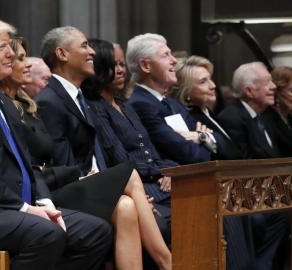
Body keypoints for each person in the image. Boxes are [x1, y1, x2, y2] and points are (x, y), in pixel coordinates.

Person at [0, 17, 112, 270]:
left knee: (95, 231)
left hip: (17, 207)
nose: (11, 54)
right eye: (2, 47)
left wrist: (43, 200)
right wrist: (24, 208)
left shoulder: (0, 98)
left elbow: (29, 162)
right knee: (47, 233)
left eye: (10, 46)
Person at [35, 27, 172, 270]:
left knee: (127, 207)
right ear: (62, 53)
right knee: (129, 174)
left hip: (90, 186)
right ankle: (167, 261)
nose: (91, 53)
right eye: (84, 46)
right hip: (67, 190)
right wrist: (108, 182)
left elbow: (97, 156)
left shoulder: (78, 97)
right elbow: (62, 165)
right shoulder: (49, 100)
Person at [81, 38, 175, 244]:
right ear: (99, 67)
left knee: (211, 206)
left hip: (156, 182)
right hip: (137, 185)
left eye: (122, 64)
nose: (121, 70)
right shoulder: (94, 107)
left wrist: (168, 170)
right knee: (184, 216)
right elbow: (119, 158)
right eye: (114, 64)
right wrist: (159, 172)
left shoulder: (124, 105)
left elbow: (149, 149)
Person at [218, 62, 290, 270]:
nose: (273, 86)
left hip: (267, 187)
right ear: (249, 91)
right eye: (267, 82)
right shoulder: (232, 117)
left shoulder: (264, 116)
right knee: (273, 214)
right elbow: (240, 162)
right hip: (244, 190)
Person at [126, 33, 212, 165]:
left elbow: (215, 138)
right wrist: (203, 139)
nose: (174, 61)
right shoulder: (141, 105)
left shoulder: (172, 103)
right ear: (145, 66)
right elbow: (189, 154)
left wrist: (201, 136)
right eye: (166, 55)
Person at [169, 55, 242, 160]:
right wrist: (205, 137)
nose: (213, 85)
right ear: (186, 91)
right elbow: (229, 154)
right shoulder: (190, 119)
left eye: (210, 79)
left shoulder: (206, 112)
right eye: (203, 82)